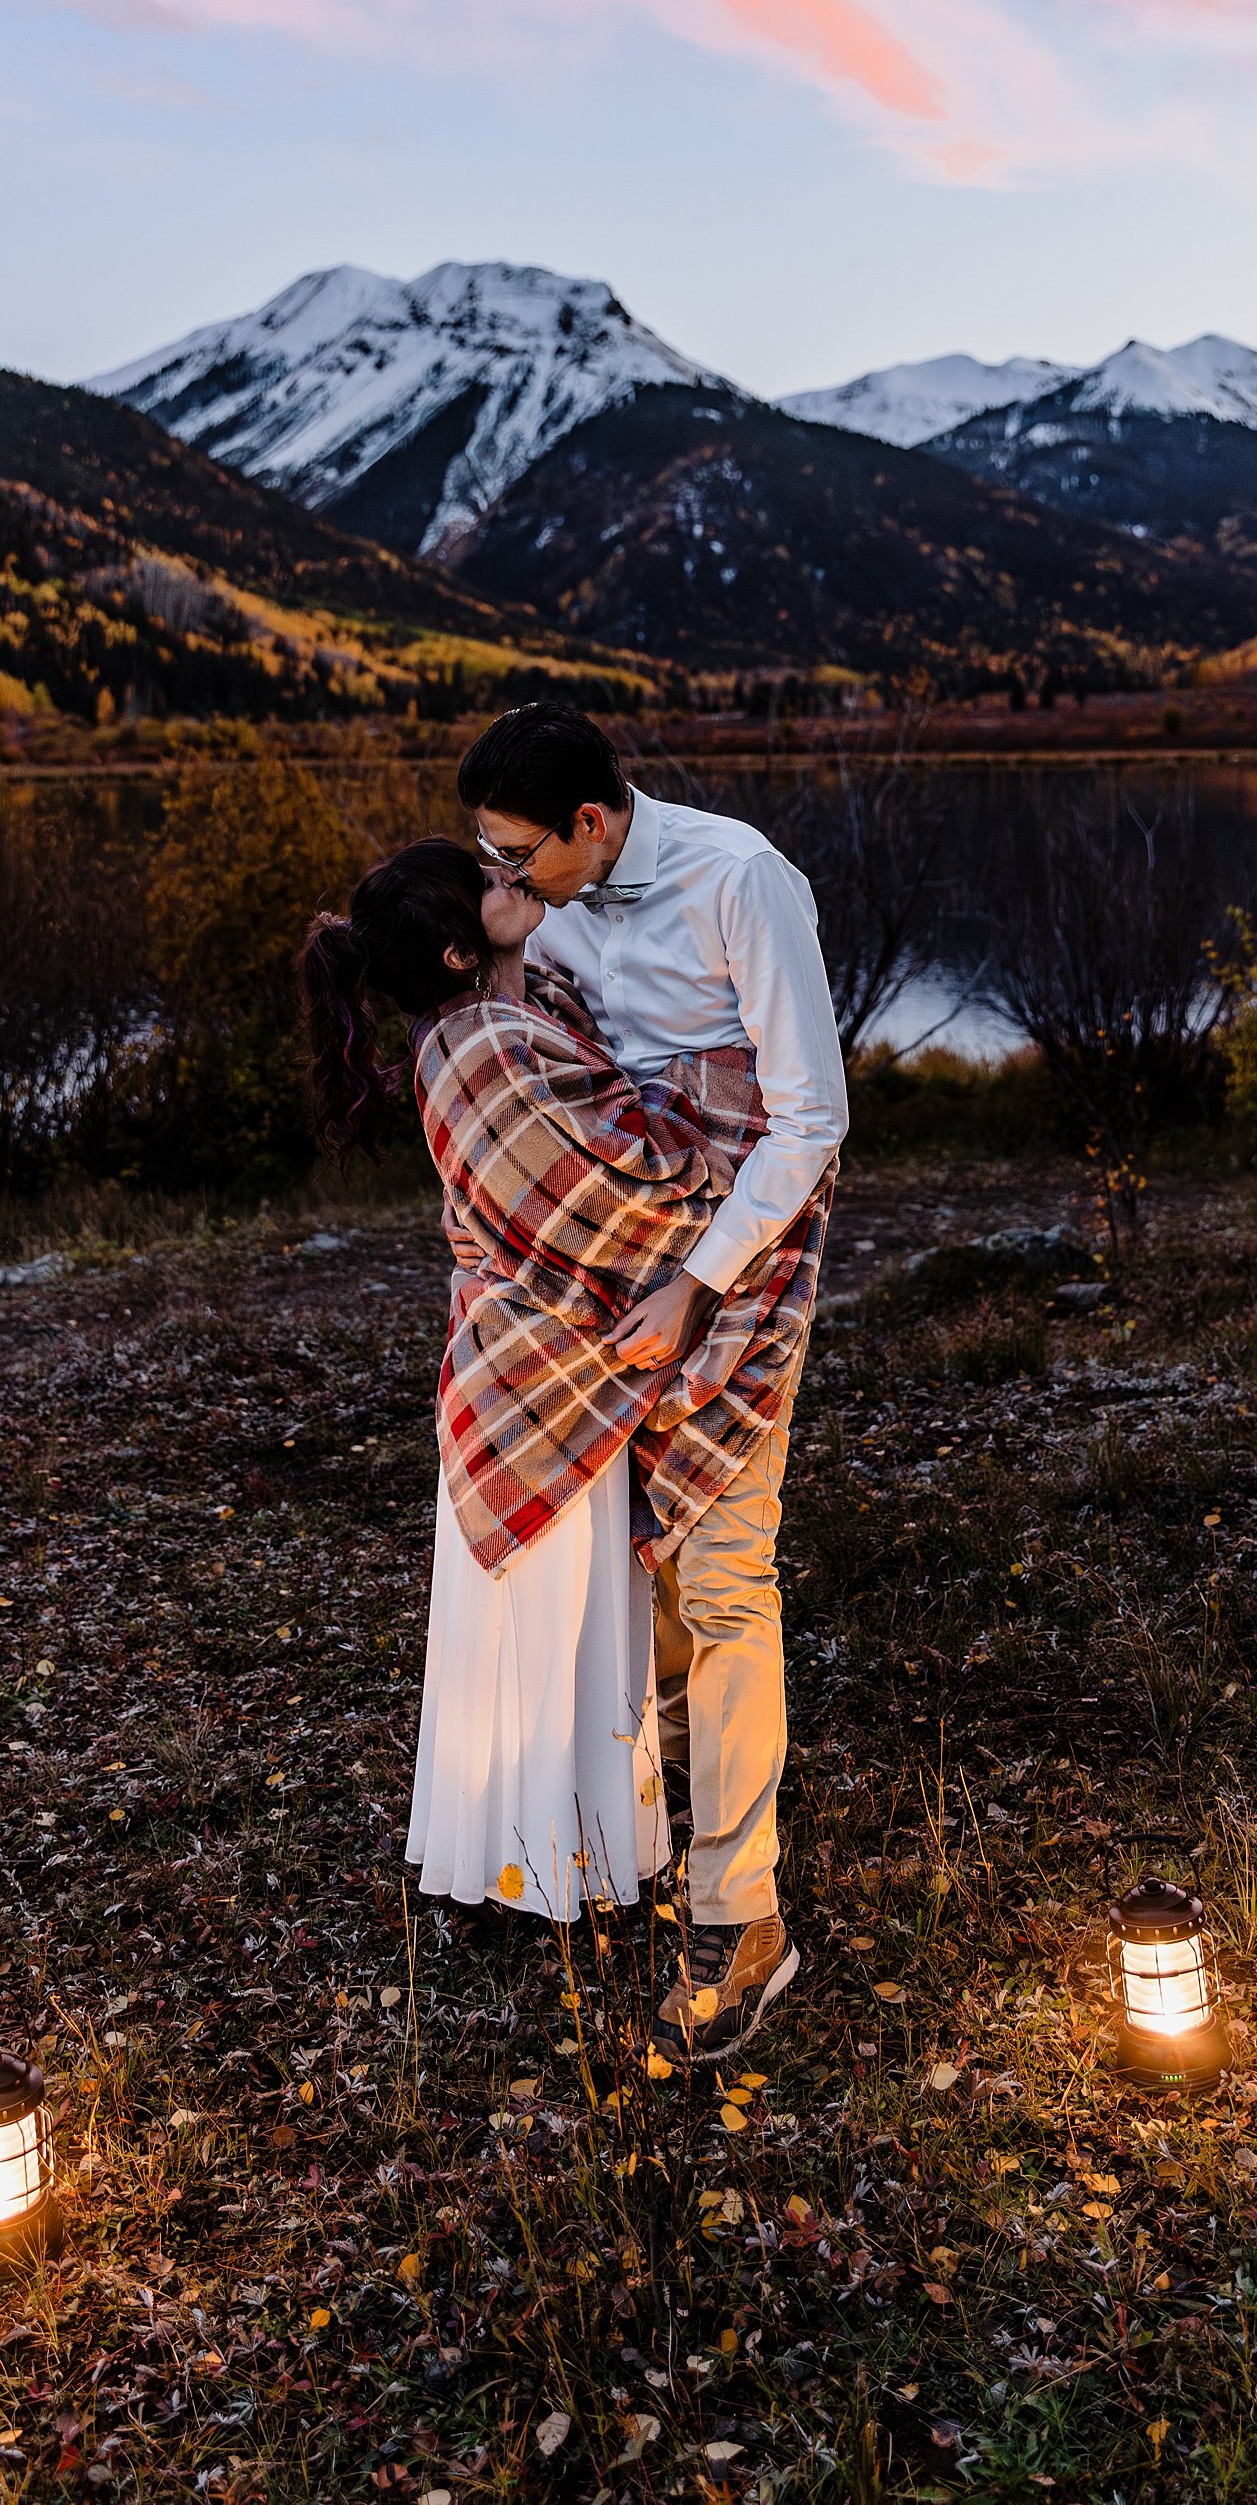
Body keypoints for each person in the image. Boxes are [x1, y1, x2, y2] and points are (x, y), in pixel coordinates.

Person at [299, 840, 826, 2058]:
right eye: (490, 878)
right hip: (542, 1376)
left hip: (538, 1369)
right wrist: (725, 1124)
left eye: (517, 854)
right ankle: (558, 1863)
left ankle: (586, 1852)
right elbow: (618, 1187)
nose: (513, 879)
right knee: (556, 1631)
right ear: (455, 943)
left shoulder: (518, 1012)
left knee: (591, 1630)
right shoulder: (485, 1047)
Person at [457, 706, 846, 2065]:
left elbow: (812, 1115)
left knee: (730, 1575)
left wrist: (701, 1280)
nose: (504, 883)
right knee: (647, 1573)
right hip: (610, 1285)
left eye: (519, 856)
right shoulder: (552, 920)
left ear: (595, 826)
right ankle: (648, 1833)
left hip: (738, 1270)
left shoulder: (742, 881)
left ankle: (746, 1915)